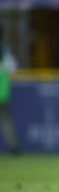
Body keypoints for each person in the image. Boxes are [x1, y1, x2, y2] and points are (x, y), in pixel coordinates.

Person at [0, 26, 21, 155]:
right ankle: (14, 148)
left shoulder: (4, 51)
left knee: (6, 120)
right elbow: (13, 72)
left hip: (3, 93)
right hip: (3, 93)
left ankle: (14, 147)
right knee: (6, 121)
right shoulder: (5, 52)